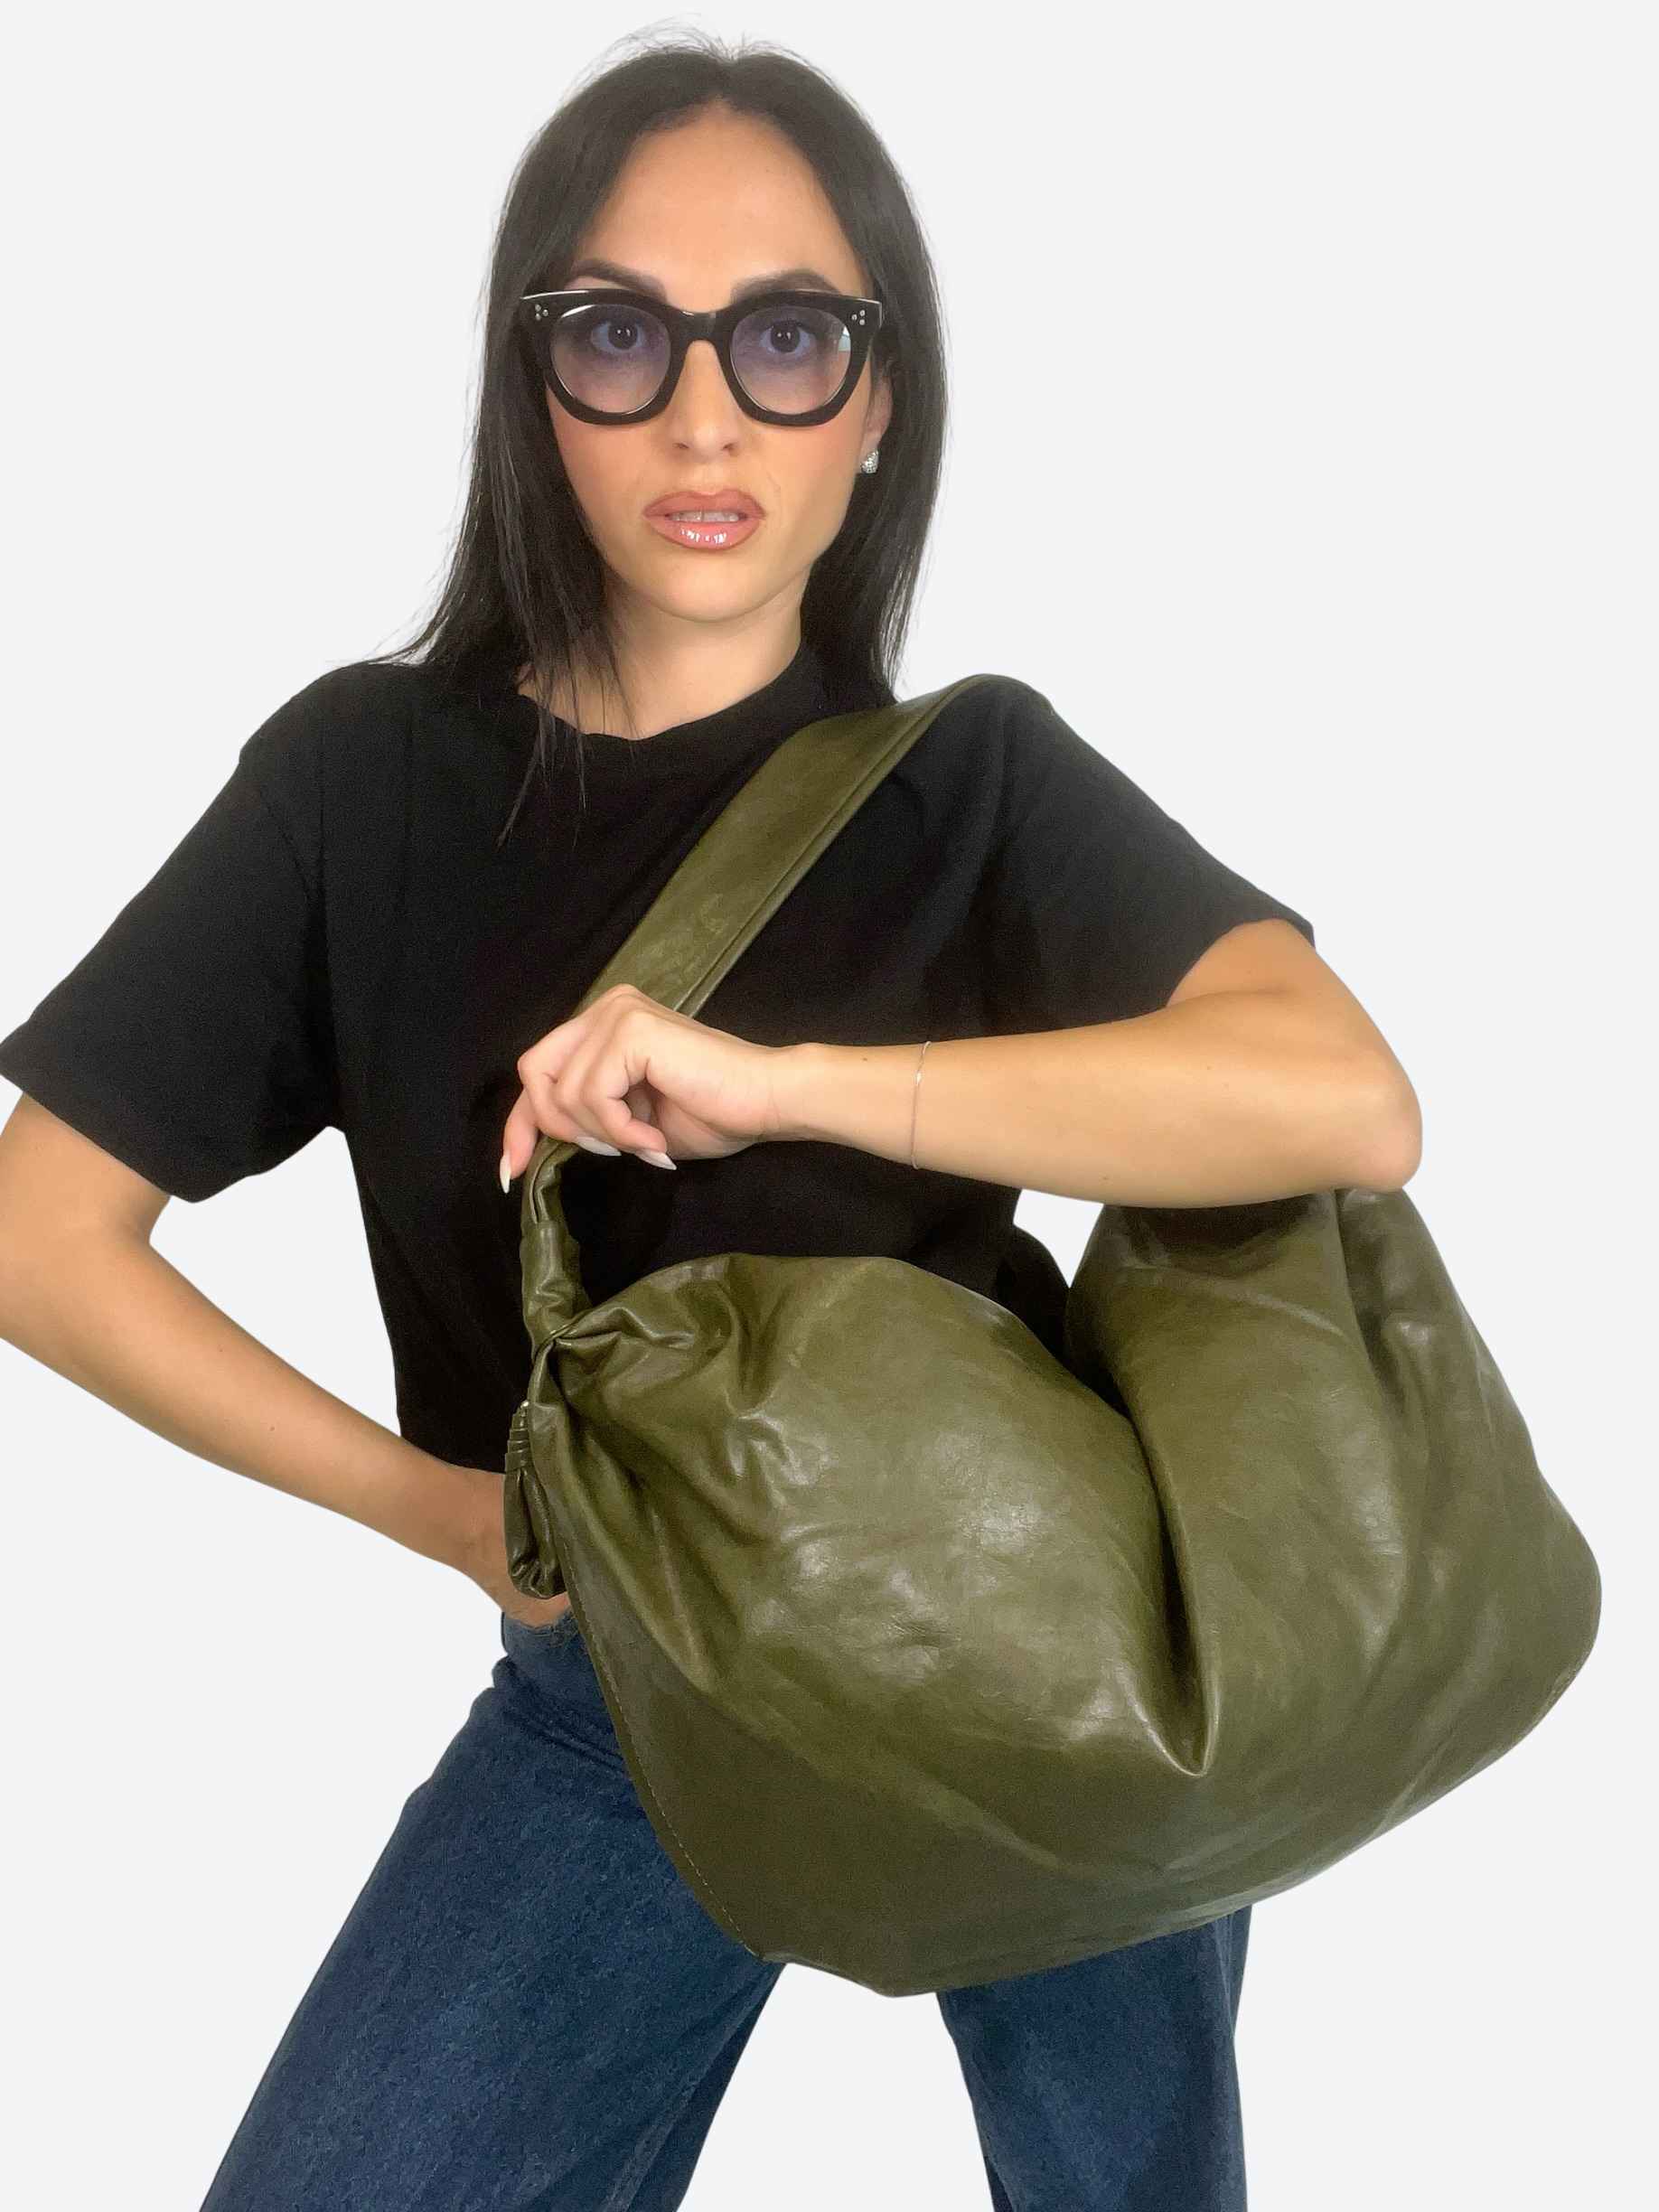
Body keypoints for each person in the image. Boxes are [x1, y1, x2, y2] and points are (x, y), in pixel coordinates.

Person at [0, 31, 1419, 2212]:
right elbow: (39, 1236)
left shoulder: (971, 785)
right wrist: (444, 1514)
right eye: (617, 334)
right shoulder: (367, 786)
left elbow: (1345, 1098)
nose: (702, 414)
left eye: (784, 338)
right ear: (533, 384)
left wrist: (777, 1080)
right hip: (625, 1689)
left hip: (1040, 1639)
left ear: (876, 398)